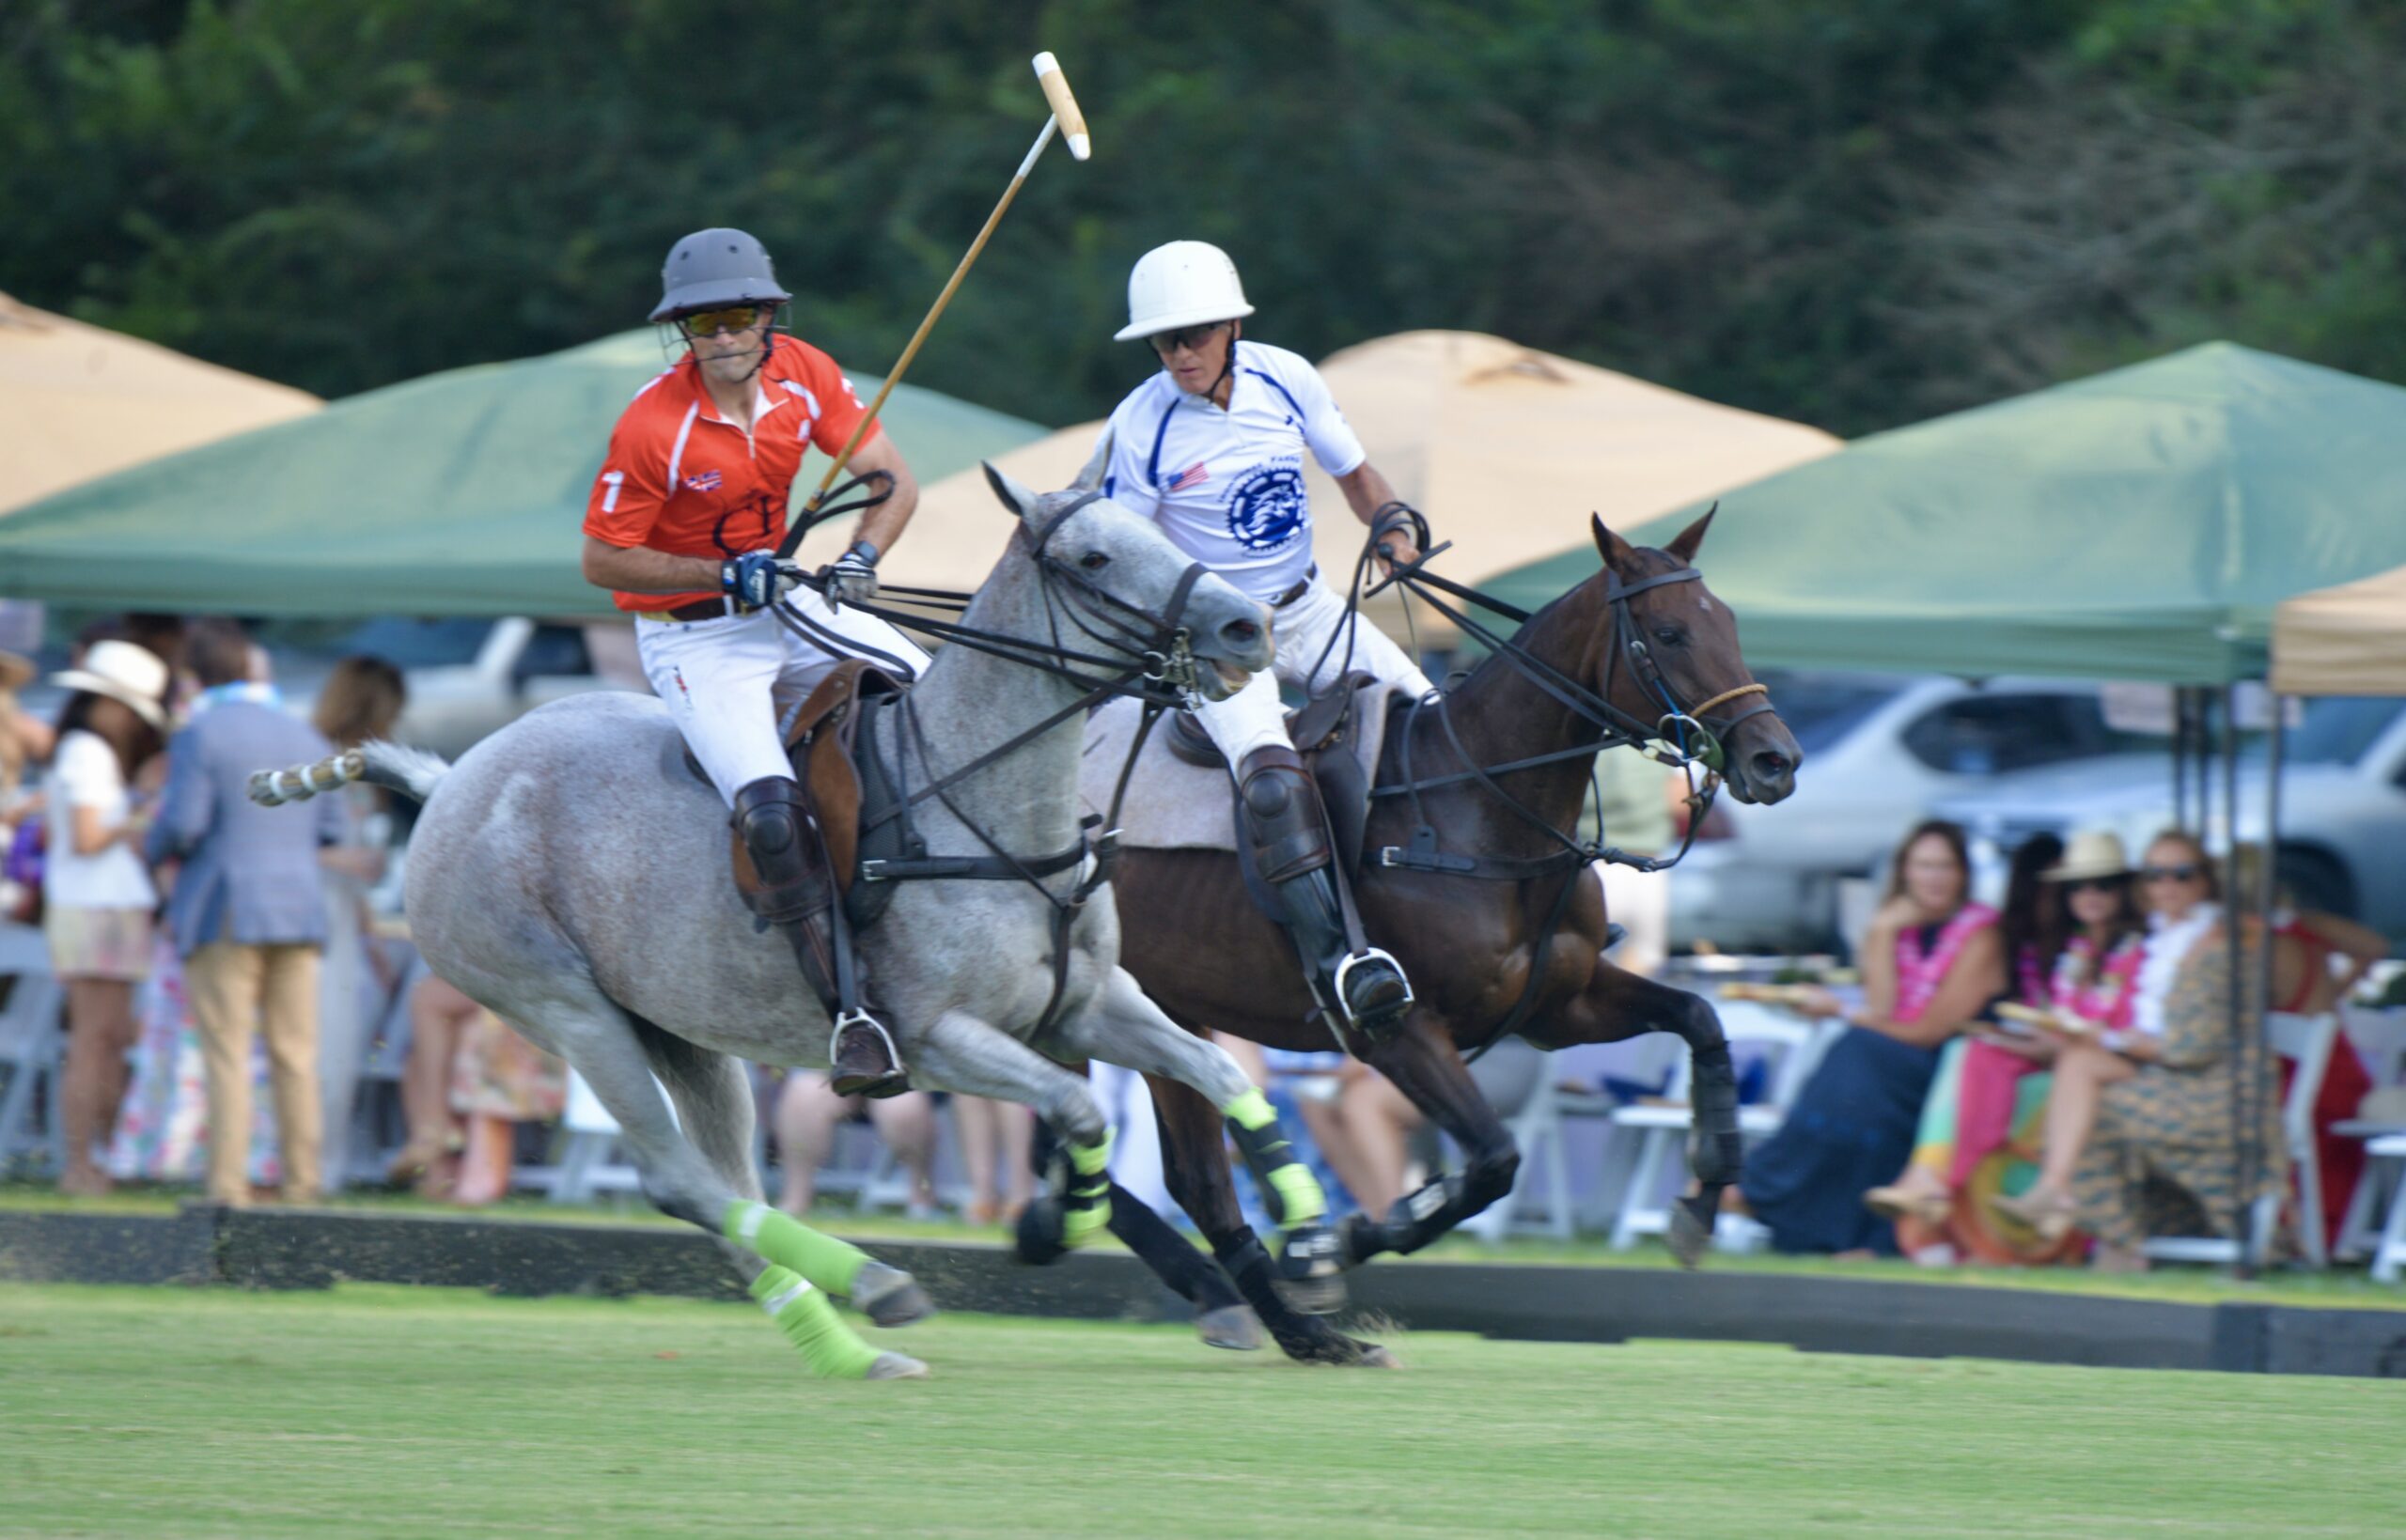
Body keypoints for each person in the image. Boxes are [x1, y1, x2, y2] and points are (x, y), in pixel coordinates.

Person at [582, 227, 930, 1097]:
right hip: (696, 633)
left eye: (740, 314)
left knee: (932, 701)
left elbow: (892, 480)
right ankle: (847, 1011)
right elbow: (602, 559)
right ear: (683, 332)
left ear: (768, 315)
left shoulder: (806, 373)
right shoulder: (652, 424)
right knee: (771, 814)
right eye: (703, 323)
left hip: (794, 598)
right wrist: (720, 573)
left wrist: (861, 558)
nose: (725, 335)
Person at [1097, 240, 1434, 1035]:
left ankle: (1492, 907)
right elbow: (1126, 560)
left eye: (1195, 335)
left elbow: (1357, 476)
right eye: (1165, 340)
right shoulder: (1139, 425)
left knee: (1433, 718)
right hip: (1217, 644)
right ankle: (1341, 961)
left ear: (1234, 327)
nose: (1180, 354)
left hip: (1310, 607)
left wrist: (1389, 523)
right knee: (1273, 781)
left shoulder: (1288, 376)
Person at [1991, 830, 2283, 1265]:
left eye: (2181, 874)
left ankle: (2112, 1235)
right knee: (2078, 1065)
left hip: (2216, 1091)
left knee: (2091, 1103)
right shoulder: (2159, 939)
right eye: (2155, 875)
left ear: (2205, 881)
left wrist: (2111, 1038)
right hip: (2168, 1075)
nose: (2167, 885)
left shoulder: (2218, 945)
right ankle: (2066, 1198)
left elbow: (2191, 1048)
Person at [144, 620, 347, 1206]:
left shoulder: (200, 732)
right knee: (296, 1054)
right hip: (298, 907)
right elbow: (332, 828)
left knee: (228, 1052)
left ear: (193, 673)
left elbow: (183, 824)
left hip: (223, 906)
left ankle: (228, 1190)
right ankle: (303, 1186)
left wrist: (150, 849)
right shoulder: (303, 733)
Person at [1734, 819, 2004, 1254]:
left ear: (1962, 874)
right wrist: (1881, 932)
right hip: (1893, 1059)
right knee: (1859, 1074)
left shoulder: (1982, 934)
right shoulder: (1900, 925)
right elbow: (1882, 1010)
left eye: (1944, 867)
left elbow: (1929, 1031)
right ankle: (1851, 1235)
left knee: (1857, 1051)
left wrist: (1840, 1010)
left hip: (1949, 1069)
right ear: (1905, 873)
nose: (1934, 878)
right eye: (1924, 866)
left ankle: (1761, 1187)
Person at [40, 640, 170, 1195]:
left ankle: (100, 1160)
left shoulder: (81, 751)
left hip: (101, 905)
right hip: (97, 906)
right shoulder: (88, 752)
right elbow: (92, 837)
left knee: (107, 1037)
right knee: (97, 1039)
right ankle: (80, 1164)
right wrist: (141, 810)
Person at [310, 655, 407, 1186]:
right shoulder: (316, 765)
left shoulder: (360, 772)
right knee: (318, 1039)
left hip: (347, 915)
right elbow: (275, 849)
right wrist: (344, 861)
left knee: (342, 1043)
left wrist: (372, 941)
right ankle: (305, 1161)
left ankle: (322, 1162)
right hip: (312, 910)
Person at [773, 1072, 941, 1219]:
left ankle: (921, 1202)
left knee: (904, 1106)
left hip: (897, 1075)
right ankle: (794, 1202)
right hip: (832, 1074)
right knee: (803, 1093)